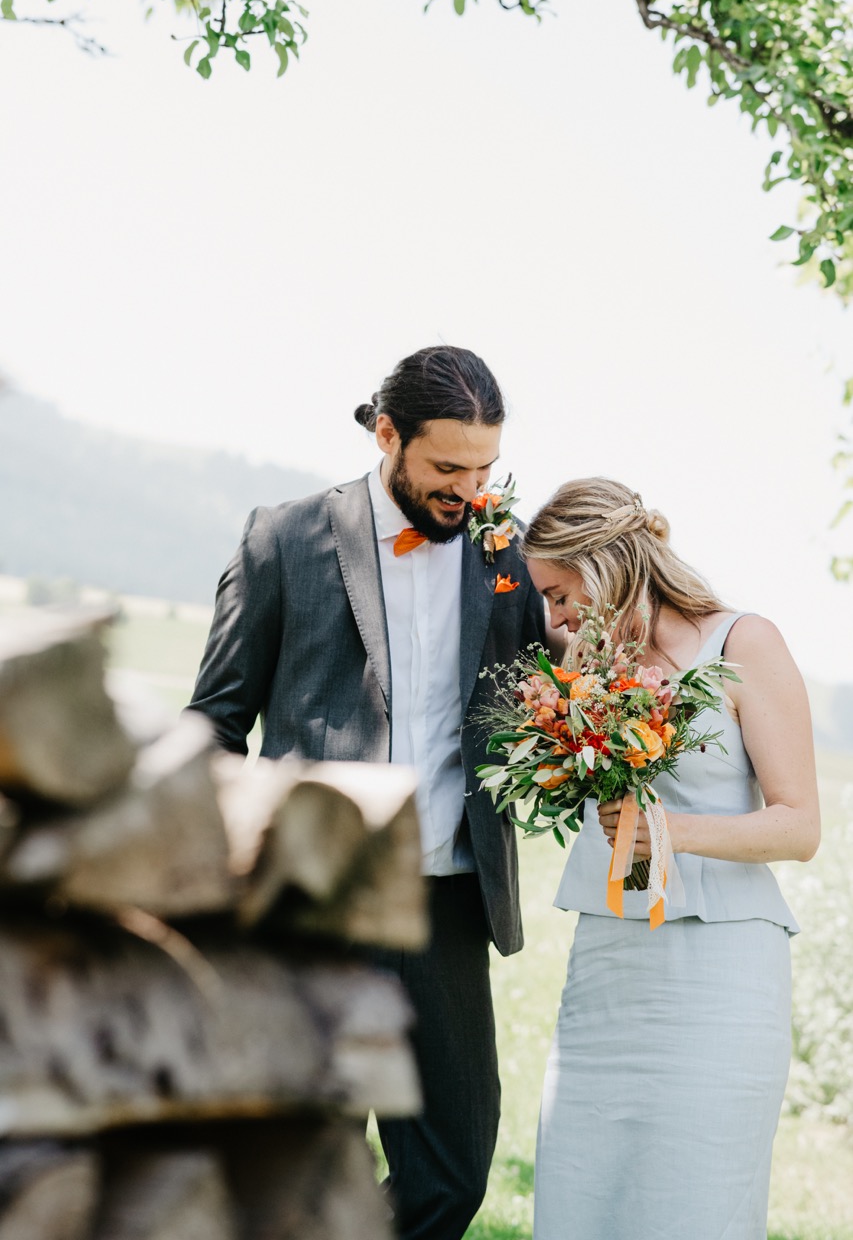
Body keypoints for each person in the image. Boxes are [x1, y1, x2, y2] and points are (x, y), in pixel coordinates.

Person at [187, 346, 548, 1240]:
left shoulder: (503, 556)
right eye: (446, 467)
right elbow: (214, 725)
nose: (468, 489)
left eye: (484, 468)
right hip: (313, 901)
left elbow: (539, 697)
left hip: (448, 902)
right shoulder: (284, 539)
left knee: (455, 1172)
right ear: (386, 434)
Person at [520, 477, 820, 1240]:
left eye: (557, 593)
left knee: (696, 1198)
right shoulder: (582, 671)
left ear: (603, 563)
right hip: (610, 961)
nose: (551, 617)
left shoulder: (743, 642)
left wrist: (672, 830)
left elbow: (798, 826)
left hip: (719, 971)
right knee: (581, 1191)